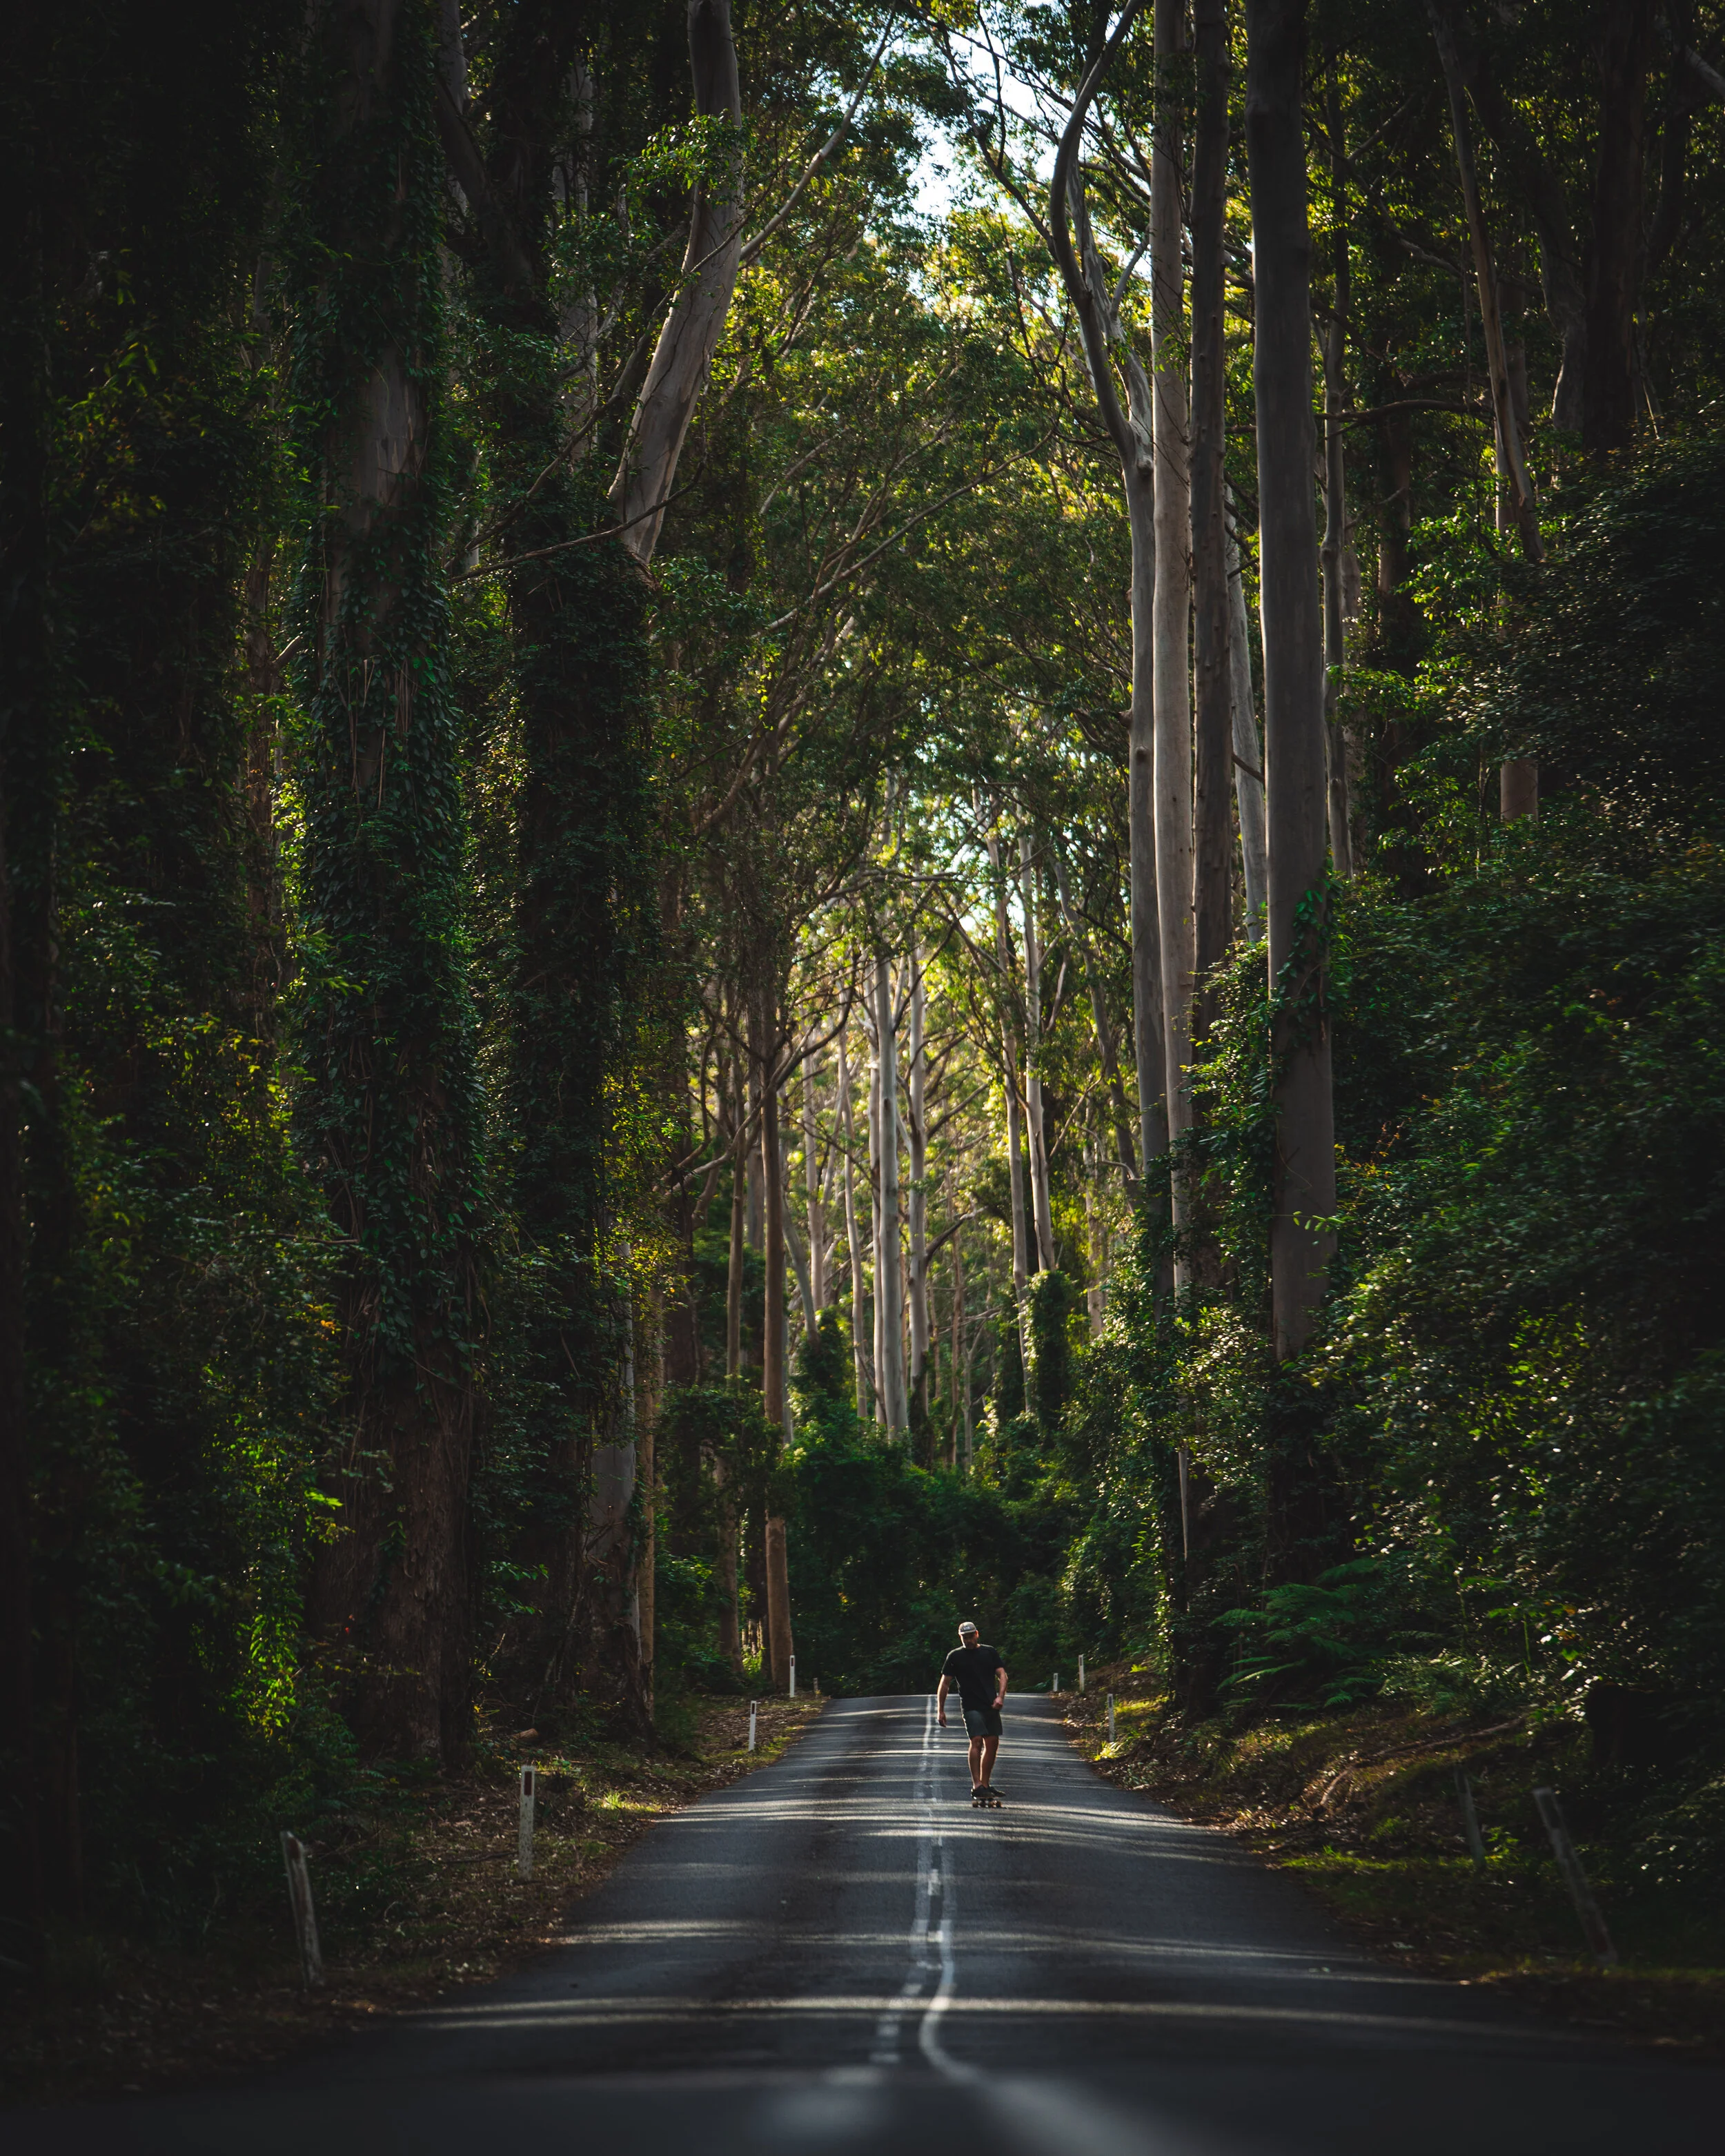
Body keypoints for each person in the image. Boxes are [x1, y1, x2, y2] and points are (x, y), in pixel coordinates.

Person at [936, 1620, 1007, 1803]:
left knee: (992, 1743)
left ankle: (985, 1784)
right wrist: (941, 1710)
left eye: (970, 1636)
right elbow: (945, 1683)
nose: (967, 1640)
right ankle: (976, 1785)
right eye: (964, 1637)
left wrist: (1000, 1697)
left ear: (977, 1634)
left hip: (990, 1705)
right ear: (960, 1637)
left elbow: (1002, 1675)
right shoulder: (955, 1656)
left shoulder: (989, 1652)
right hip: (970, 1706)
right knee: (976, 1741)